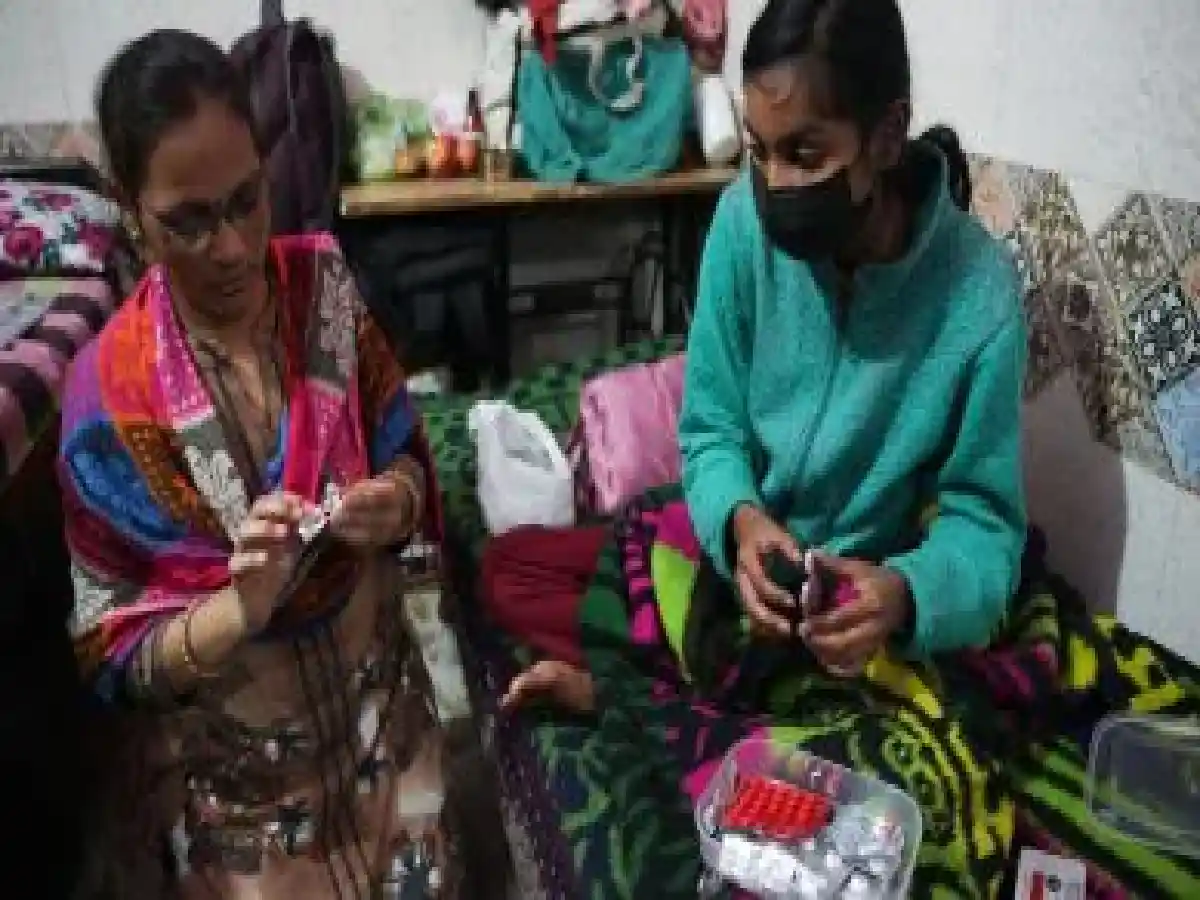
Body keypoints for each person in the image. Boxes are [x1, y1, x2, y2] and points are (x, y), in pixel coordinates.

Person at [486, 0, 1024, 702]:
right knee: (508, 570)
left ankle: (642, 690)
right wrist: (741, 521)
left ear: (888, 135)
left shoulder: (975, 298)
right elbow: (711, 430)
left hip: (849, 609)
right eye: (759, 150)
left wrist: (903, 596)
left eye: (806, 154)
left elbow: (986, 531)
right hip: (735, 552)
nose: (775, 185)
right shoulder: (743, 221)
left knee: (837, 697)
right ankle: (680, 671)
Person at [59, 29, 488, 899]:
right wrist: (236, 609)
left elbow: (404, 452)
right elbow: (113, 649)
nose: (230, 246)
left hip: (384, 730)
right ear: (127, 207)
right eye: (188, 220)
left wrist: (394, 503)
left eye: (247, 199)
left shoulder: (325, 295)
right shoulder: (107, 398)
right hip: (245, 796)